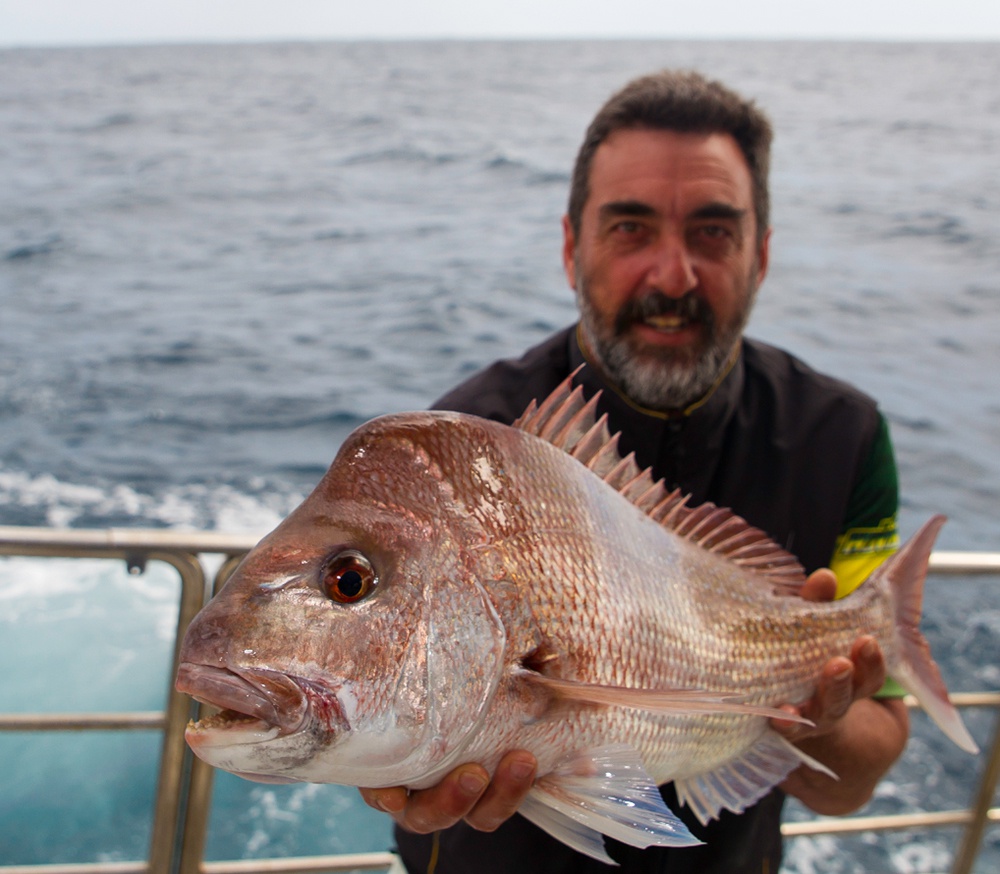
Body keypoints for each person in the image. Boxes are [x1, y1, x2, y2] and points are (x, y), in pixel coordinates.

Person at [361, 69, 908, 873]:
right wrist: (393, 758)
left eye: (715, 233)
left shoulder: (844, 438)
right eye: (629, 228)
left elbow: (861, 774)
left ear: (761, 257)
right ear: (570, 247)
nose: (672, 277)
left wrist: (816, 713)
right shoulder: (465, 445)